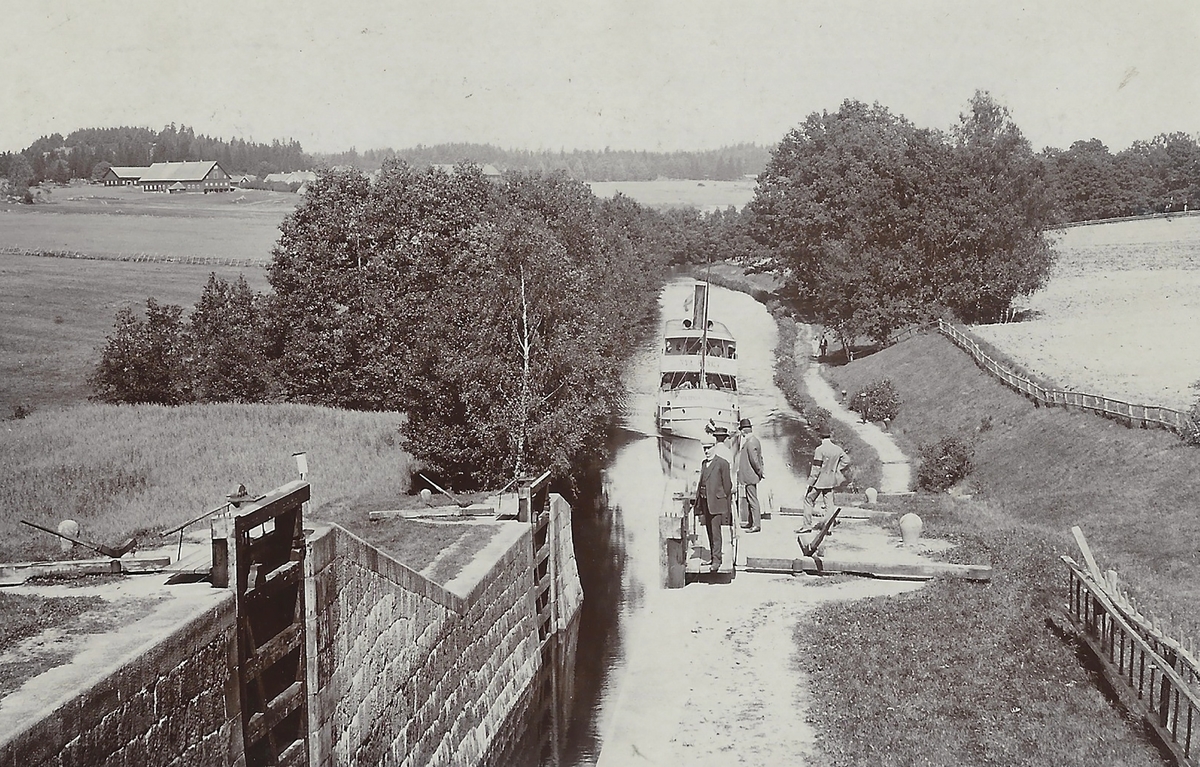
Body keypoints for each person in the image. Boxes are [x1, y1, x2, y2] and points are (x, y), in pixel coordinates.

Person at [694, 435, 733, 572]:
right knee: (709, 531)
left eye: (709, 448)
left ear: (714, 447)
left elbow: (728, 486)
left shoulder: (722, 463)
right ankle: (712, 556)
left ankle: (717, 560)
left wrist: (720, 498)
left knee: (716, 532)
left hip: (716, 504)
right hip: (705, 502)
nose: (706, 451)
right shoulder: (704, 463)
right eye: (705, 448)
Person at [803, 429, 849, 530]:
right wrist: (837, 469)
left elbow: (816, 468)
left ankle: (807, 526)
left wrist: (810, 483)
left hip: (819, 481)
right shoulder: (837, 449)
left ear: (820, 436)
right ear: (830, 436)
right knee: (829, 504)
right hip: (831, 481)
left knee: (808, 500)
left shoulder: (820, 449)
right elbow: (846, 460)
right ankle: (828, 526)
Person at [735, 418, 764, 532]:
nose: (741, 433)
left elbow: (754, 460)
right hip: (750, 476)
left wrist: (759, 472)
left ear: (744, 431)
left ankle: (756, 525)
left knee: (752, 500)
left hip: (750, 476)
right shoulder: (752, 440)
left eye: (741, 430)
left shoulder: (751, 442)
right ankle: (751, 522)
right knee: (750, 499)